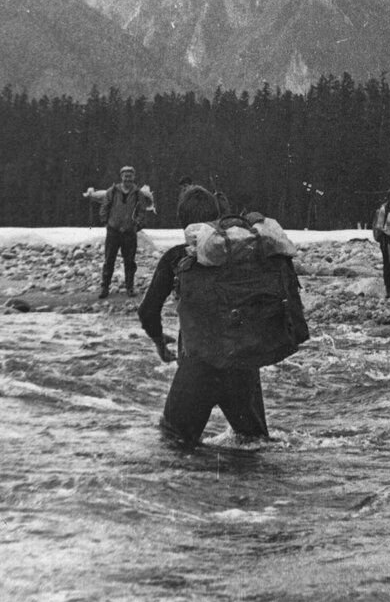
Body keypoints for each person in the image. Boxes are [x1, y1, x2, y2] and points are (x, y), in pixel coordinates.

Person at [137, 185, 271, 448]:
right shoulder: (240, 253)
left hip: (198, 367)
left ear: (181, 220)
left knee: (175, 446)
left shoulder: (176, 257)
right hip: (242, 366)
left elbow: (147, 311)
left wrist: (160, 344)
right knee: (254, 447)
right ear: (216, 217)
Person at [98, 165, 152, 298]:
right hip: (113, 231)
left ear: (134, 177)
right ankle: (105, 287)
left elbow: (142, 211)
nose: (127, 178)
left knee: (130, 261)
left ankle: (130, 287)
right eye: (125, 176)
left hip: (129, 233)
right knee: (109, 260)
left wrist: (136, 225)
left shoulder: (138, 193)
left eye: (130, 176)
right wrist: (106, 223)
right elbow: (104, 207)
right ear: (121, 176)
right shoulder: (112, 191)